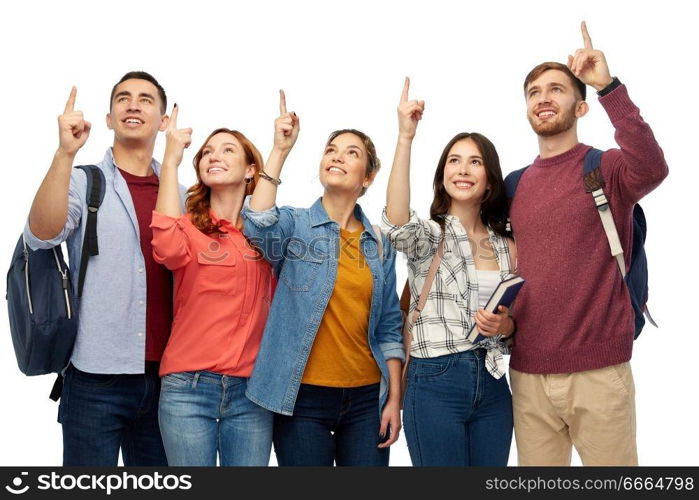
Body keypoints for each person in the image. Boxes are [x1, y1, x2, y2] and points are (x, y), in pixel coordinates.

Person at [506, 22, 669, 466]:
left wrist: (608, 87)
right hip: (526, 374)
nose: (543, 98)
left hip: (599, 371)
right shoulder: (514, 185)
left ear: (579, 107)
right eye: (535, 91)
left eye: (556, 89)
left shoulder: (606, 169)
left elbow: (653, 168)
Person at [23, 71, 183, 466]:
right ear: (109, 119)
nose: (133, 104)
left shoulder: (180, 193)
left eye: (146, 99)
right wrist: (64, 154)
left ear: (164, 121)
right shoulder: (82, 180)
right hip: (95, 378)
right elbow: (40, 236)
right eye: (123, 98)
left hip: (171, 381)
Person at [241, 91, 405, 466]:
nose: (337, 156)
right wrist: (280, 149)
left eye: (351, 153)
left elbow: (390, 328)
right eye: (331, 149)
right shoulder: (295, 223)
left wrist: (394, 400)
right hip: (301, 399)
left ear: (369, 176)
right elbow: (256, 222)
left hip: (366, 400)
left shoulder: (378, 243)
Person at [382, 78, 516, 466]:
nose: (463, 169)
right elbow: (396, 223)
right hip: (436, 379)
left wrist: (505, 328)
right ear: (442, 175)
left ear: (489, 177)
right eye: (454, 161)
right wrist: (405, 137)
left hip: (493, 383)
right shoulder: (430, 234)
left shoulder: (507, 244)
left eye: (475, 161)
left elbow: (515, 324)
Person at [150, 106, 275, 466]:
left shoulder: (267, 234)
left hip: (251, 393)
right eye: (207, 152)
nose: (214, 156)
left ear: (252, 169)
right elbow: (166, 249)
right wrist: (171, 161)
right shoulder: (187, 228)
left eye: (227, 150)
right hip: (187, 389)